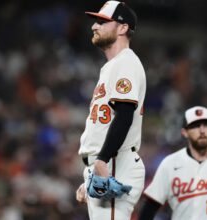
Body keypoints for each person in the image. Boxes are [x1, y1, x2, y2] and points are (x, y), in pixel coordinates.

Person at [75, 1, 146, 219]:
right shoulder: (114, 65)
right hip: (110, 162)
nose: (94, 26)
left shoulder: (125, 62)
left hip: (116, 161)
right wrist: (91, 174)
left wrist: (102, 161)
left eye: (102, 21)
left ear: (123, 28)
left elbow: (124, 116)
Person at [138, 106, 207, 220]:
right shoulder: (169, 164)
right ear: (184, 132)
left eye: (206, 125)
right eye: (195, 126)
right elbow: (149, 207)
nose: (202, 130)